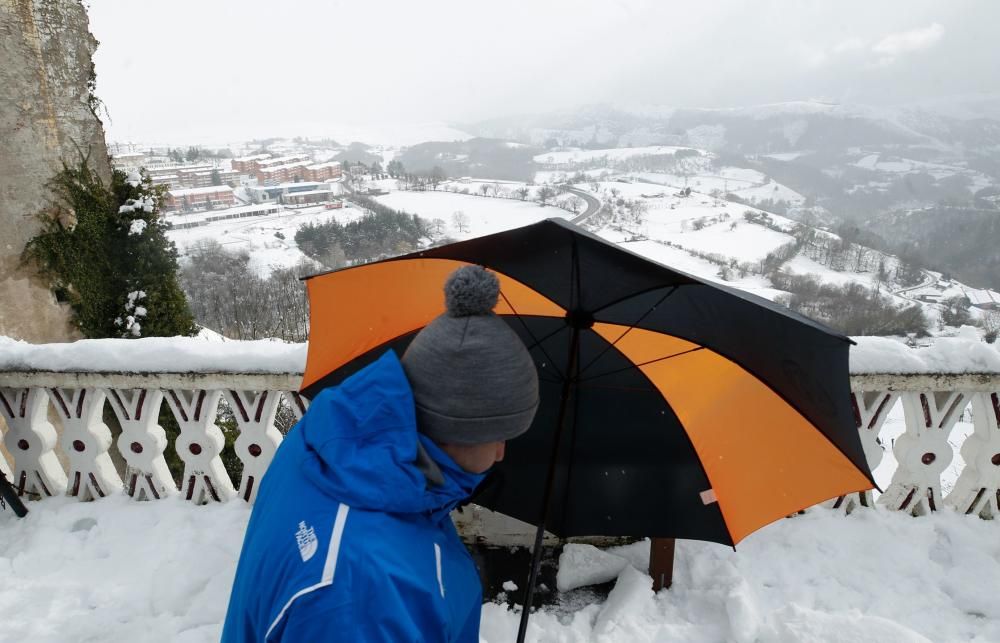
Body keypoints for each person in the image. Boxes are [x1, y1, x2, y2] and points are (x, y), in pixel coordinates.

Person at [221, 265, 539, 642]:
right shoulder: (358, 595)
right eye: (500, 435)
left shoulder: (338, 448)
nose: (502, 453)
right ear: (458, 433)